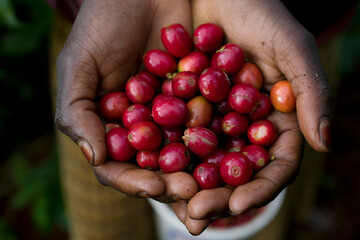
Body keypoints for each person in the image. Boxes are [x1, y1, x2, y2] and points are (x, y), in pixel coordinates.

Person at [49, 0, 355, 237]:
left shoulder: (217, 109)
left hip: (295, 22)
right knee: (106, 222)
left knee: (275, 203)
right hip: (111, 43)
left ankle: (301, 220)